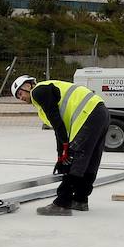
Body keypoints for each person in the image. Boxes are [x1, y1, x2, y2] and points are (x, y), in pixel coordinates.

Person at [12, 75, 109, 215]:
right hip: (99, 111)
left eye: (20, 93)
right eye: (18, 97)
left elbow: (58, 124)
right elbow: (59, 129)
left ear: (28, 85)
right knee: (90, 159)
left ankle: (62, 203)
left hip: (88, 114)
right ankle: (80, 199)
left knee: (76, 159)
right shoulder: (46, 93)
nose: (21, 98)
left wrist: (65, 152)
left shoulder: (38, 92)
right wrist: (61, 155)